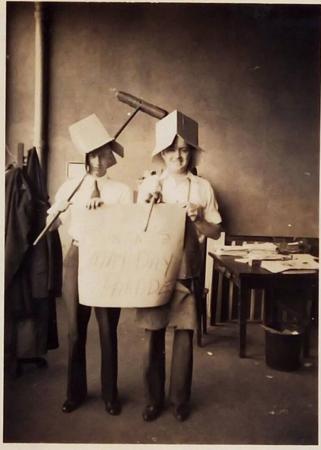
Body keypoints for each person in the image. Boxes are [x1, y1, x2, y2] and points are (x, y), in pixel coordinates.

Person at [136, 110, 222, 422]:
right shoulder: (149, 184)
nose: (178, 155)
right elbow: (136, 230)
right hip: (155, 270)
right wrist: (148, 204)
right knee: (152, 335)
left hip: (187, 268)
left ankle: (180, 400)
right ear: (162, 153)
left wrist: (199, 217)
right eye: (172, 149)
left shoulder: (203, 187)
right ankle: (152, 399)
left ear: (193, 152)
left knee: (184, 335)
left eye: (184, 149)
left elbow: (216, 231)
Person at [47, 114, 132, 415]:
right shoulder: (71, 186)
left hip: (107, 259)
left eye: (103, 152)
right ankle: (75, 392)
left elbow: (127, 230)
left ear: (111, 156)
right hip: (78, 257)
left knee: (108, 328)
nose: (98, 160)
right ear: (86, 155)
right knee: (75, 330)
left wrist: (106, 212)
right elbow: (52, 223)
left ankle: (110, 393)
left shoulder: (122, 192)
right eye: (92, 153)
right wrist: (58, 211)